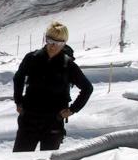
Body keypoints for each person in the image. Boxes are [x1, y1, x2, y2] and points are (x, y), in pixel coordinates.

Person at [12, 21, 93, 152]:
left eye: (59, 43)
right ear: (45, 39)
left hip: (54, 121)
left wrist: (73, 109)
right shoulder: (32, 58)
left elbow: (87, 88)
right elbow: (18, 78)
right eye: (50, 41)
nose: (53, 46)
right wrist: (18, 101)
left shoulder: (68, 65)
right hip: (29, 118)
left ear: (64, 43)